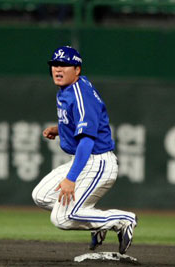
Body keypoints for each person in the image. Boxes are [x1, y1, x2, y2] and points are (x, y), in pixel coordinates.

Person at [32, 46, 137, 254]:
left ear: (77, 69)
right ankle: (99, 224)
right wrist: (61, 129)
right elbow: (85, 123)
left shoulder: (80, 94)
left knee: (61, 218)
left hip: (97, 162)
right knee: (41, 195)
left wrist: (71, 179)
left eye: (64, 65)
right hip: (86, 160)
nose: (57, 69)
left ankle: (123, 220)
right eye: (55, 65)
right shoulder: (71, 88)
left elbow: (87, 140)